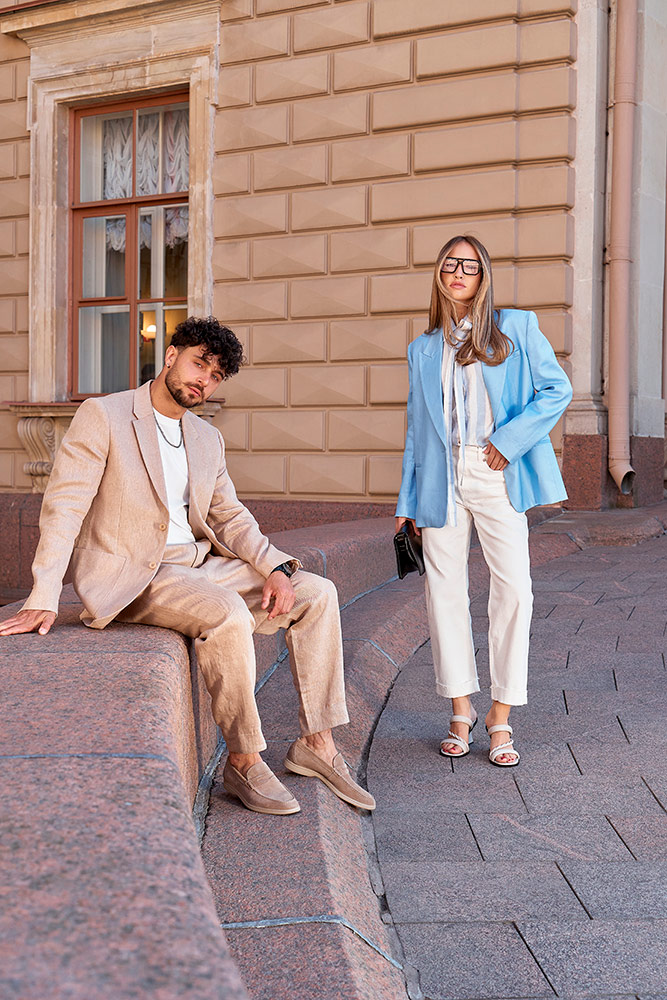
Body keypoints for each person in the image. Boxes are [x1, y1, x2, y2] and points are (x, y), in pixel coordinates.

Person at [0, 316, 375, 815]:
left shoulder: (205, 437)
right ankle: (243, 760)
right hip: (138, 575)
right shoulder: (104, 415)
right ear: (171, 355)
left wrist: (277, 568)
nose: (204, 381)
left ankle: (317, 745)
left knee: (318, 593)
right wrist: (44, 594)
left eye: (216, 376)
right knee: (227, 612)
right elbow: (64, 507)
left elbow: (229, 516)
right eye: (200, 364)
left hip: (201, 564)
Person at [395, 235, 572, 766]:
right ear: (439, 272)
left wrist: (508, 441)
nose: (458, 271)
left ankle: (501, 714)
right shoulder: (423, 348)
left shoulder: (515, 327)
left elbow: (557, 390)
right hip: (440, 478)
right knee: (444, 593)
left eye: (469, 265)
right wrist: (406, 501)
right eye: (450, 263)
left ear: (482, 275)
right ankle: (460, 708)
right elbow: (416, 430)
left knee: (514, 589)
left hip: (496, 470)